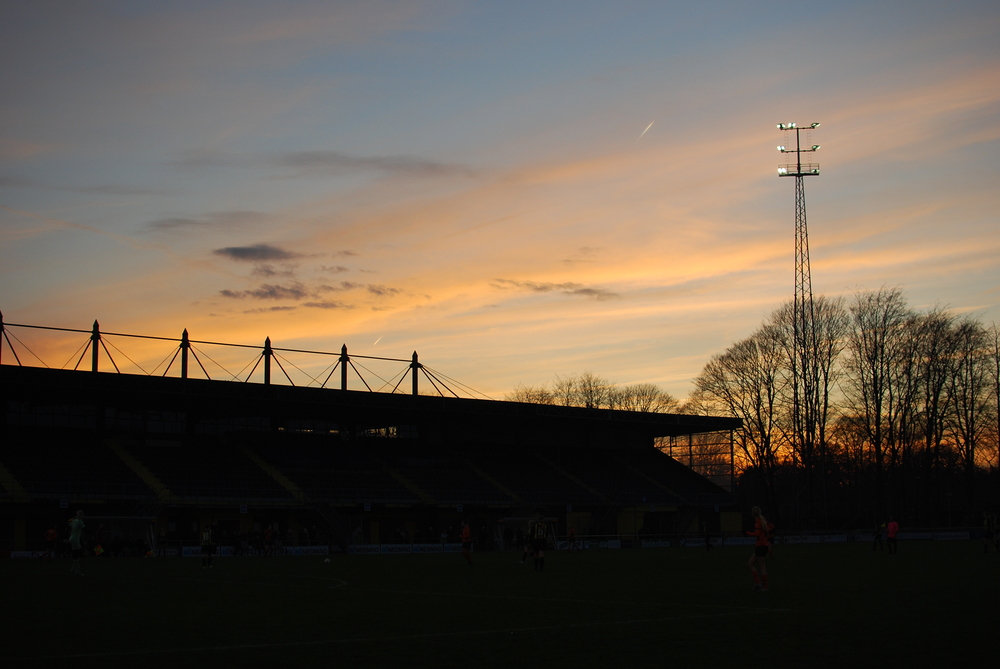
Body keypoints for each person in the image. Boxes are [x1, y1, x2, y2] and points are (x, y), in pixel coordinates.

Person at [746, 506, 770, 591]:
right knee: (750, 564)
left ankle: (765, 587)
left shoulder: (757, 521)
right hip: (763, 545)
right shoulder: (763, 521)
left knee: (762, 567)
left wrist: (747, 533)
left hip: (760, 546)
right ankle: (758, 584)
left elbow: (757, 534)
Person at [67, 510, 85, 575]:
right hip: (75, 539)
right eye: (81, 514)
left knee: (75, 554)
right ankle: (77, 571)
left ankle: (73, 569)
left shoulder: (73, 521)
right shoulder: (80, 522)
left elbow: (69, 526)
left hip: (72, 538)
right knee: (77, 555)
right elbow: (84, 529)